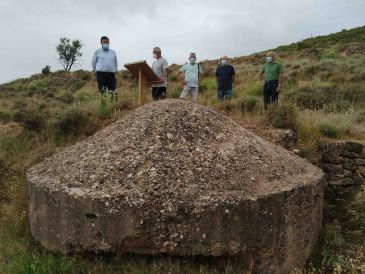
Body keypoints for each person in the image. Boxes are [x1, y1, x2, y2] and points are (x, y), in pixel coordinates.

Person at [92, 36, 118, 101]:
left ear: (109, 42)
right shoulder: (97, 52)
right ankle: (103, 106)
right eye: (104, 42)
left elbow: (115, 61)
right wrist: (94, 69)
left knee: (113, 90)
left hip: (111, 74)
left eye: (107, 42)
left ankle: (114, 105)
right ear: (101, 43)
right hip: (101, 74)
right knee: (102, 91)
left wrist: (116, 69)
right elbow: (93, 62)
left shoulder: (113, 52)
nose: (106, 43)